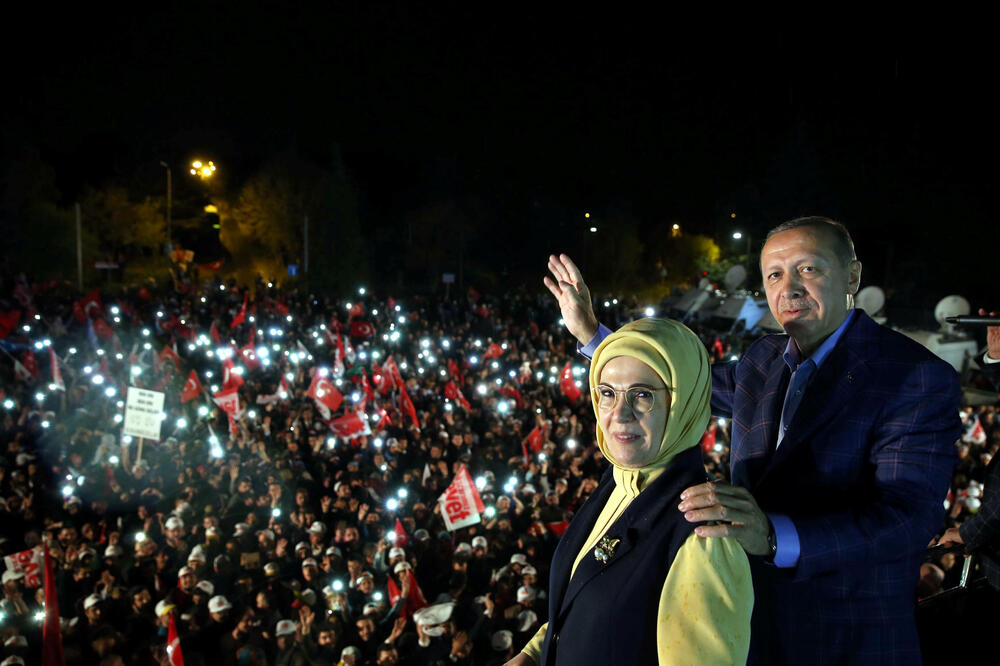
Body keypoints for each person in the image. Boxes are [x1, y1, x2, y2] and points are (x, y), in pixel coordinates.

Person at [545, 216, 962, 664]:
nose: (790, 288)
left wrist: (777, 537)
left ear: (853, 275)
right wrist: (594, 336)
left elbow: (907, 520)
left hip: (845, 641)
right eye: (775, 274)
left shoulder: (913, 376)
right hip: (749, 633)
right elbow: (678, 387)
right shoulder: (762, 358)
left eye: (809, 269)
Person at [508, 318, 752, 665]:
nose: (619, 415)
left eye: (642, 395)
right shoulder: (618, 481)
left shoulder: (705, 534)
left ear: (684, 403)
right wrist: (532, 656)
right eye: (607, 393)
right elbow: (592, 609)